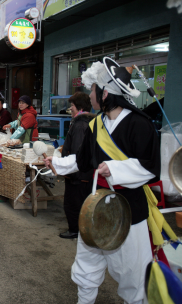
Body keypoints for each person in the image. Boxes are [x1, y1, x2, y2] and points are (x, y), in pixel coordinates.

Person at [43, 58, 161, 304]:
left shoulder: (140, 125)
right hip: (96, 204)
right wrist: (58, 163)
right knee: (87, 260)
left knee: (132, 270)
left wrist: (115, 168)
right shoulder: (96, 124)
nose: (90, 94)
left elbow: (151, 169)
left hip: (129, 209)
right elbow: (84, 160)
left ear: (105, 93)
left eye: (93, 89)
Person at [59, 92, 95, 239]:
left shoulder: (81, 124)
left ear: (79, 106)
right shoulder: (86, 121)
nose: (70, 108)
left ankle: (75, 230)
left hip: (78, 174)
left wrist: (71, 169)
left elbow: (78, 152)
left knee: (74, 203)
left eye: (72, 105)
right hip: (82, 173)